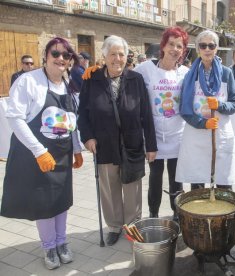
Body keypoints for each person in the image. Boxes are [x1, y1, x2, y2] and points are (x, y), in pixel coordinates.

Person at [1, 37, 83, 270]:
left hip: (62, 155)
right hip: (37, 155)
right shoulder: (28, 82)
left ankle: (62, 242)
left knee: (61, 200)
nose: (60, 58)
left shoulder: (67, 84)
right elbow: (15, 117)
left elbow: (71, 121)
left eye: (66, 55)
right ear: (45, 56)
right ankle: (49, 247)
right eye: (55, 53)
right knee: (44, 203)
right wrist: (39, 151)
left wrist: (76, 149)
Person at [77, 35, 157, 246]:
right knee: (110, 188)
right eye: (112, 54)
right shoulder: (91, 80)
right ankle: (113, 226)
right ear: (104, 56)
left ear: (126, 56)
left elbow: (146, 115)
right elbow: (82, 113)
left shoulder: (136, 79)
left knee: (132, 189)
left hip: (132, 144)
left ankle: (132, 226)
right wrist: (87, 137)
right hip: (104, 143)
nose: (117, 58)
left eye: (121, 54)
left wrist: (151, 146)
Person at [134, 26, 189, 221]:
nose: (175, 49)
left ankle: (177, 214)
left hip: (178, 135)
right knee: (155, 178)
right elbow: (124, 78)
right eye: (171, 44)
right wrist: (98, 72)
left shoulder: (185, 73)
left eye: (179, 46)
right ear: (163, 45)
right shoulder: (145, 69)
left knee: (177, 178)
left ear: (183, 50)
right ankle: (153, 213)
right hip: (153, 136)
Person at [176, 30, 235, 190]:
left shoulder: (226, 73)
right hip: (196, 137)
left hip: (221, 135)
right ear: (198, 49)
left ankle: (225, 215)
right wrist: (203, 123)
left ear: (216, 48)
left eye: (211, 45)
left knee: (224, 184)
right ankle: (198, 216)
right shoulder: (190, 75)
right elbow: (185, 109)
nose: (207, 49)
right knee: (197, 186)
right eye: (203, 45)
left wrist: (220, 105)